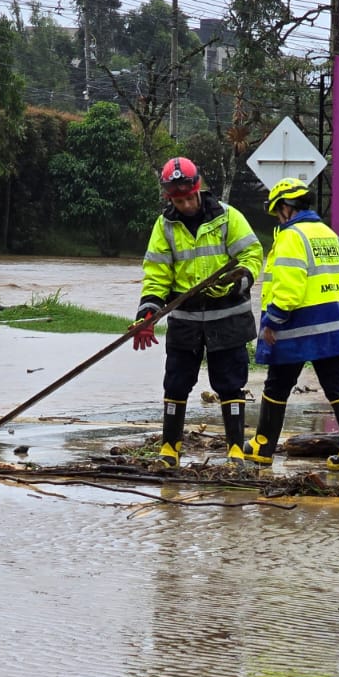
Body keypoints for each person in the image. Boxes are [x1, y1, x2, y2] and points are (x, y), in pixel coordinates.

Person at [132, 157, 263, 465]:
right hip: (186, 319)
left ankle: (234, 448)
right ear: (169, 198)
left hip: (228, 316)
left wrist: (238, 280)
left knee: (230, 382)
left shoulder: (228, 217)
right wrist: (147, 311)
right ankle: (169, 448)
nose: (187, 204)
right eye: (179, 200)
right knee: (176, 382)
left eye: (190, 197)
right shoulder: (164, 226)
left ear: (199, 188)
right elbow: (156, 273)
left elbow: (253, 254)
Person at [243, 176, 339, 472]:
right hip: (333, 326)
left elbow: (288, 288)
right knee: (337, 385)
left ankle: (263, 446)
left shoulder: (291, 237)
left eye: (276, 211)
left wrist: (273, 321)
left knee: (277, 385)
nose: (277, 218)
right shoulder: (331, 236)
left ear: (286, 207)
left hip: (298, 327)